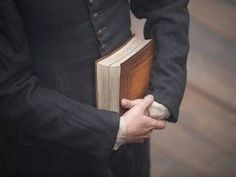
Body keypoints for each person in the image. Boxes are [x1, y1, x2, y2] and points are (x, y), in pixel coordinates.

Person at [0, 0, 189, 176]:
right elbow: (9, 86)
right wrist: (115, 130)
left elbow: (165, 4)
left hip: (134, 128)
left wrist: (163, 90)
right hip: (47, 153)